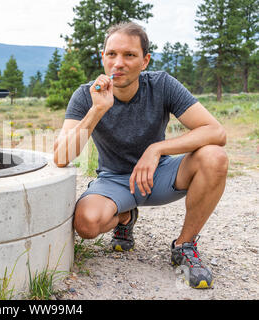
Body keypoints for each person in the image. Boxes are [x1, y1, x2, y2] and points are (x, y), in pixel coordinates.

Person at [53, 21, 228, 289]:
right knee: (87, 224)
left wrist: (157, 149)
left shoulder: (162, 85)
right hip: (114, 180)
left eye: (129, 55)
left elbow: (216, 132)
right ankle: (125, 216)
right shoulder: (86, 96)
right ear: (103, 58)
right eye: (111, 54)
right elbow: (61, 157)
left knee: (214, 157)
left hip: (159, 174)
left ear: (145, 61)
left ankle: (185, 246)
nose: (118, 63)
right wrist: (97, 110)